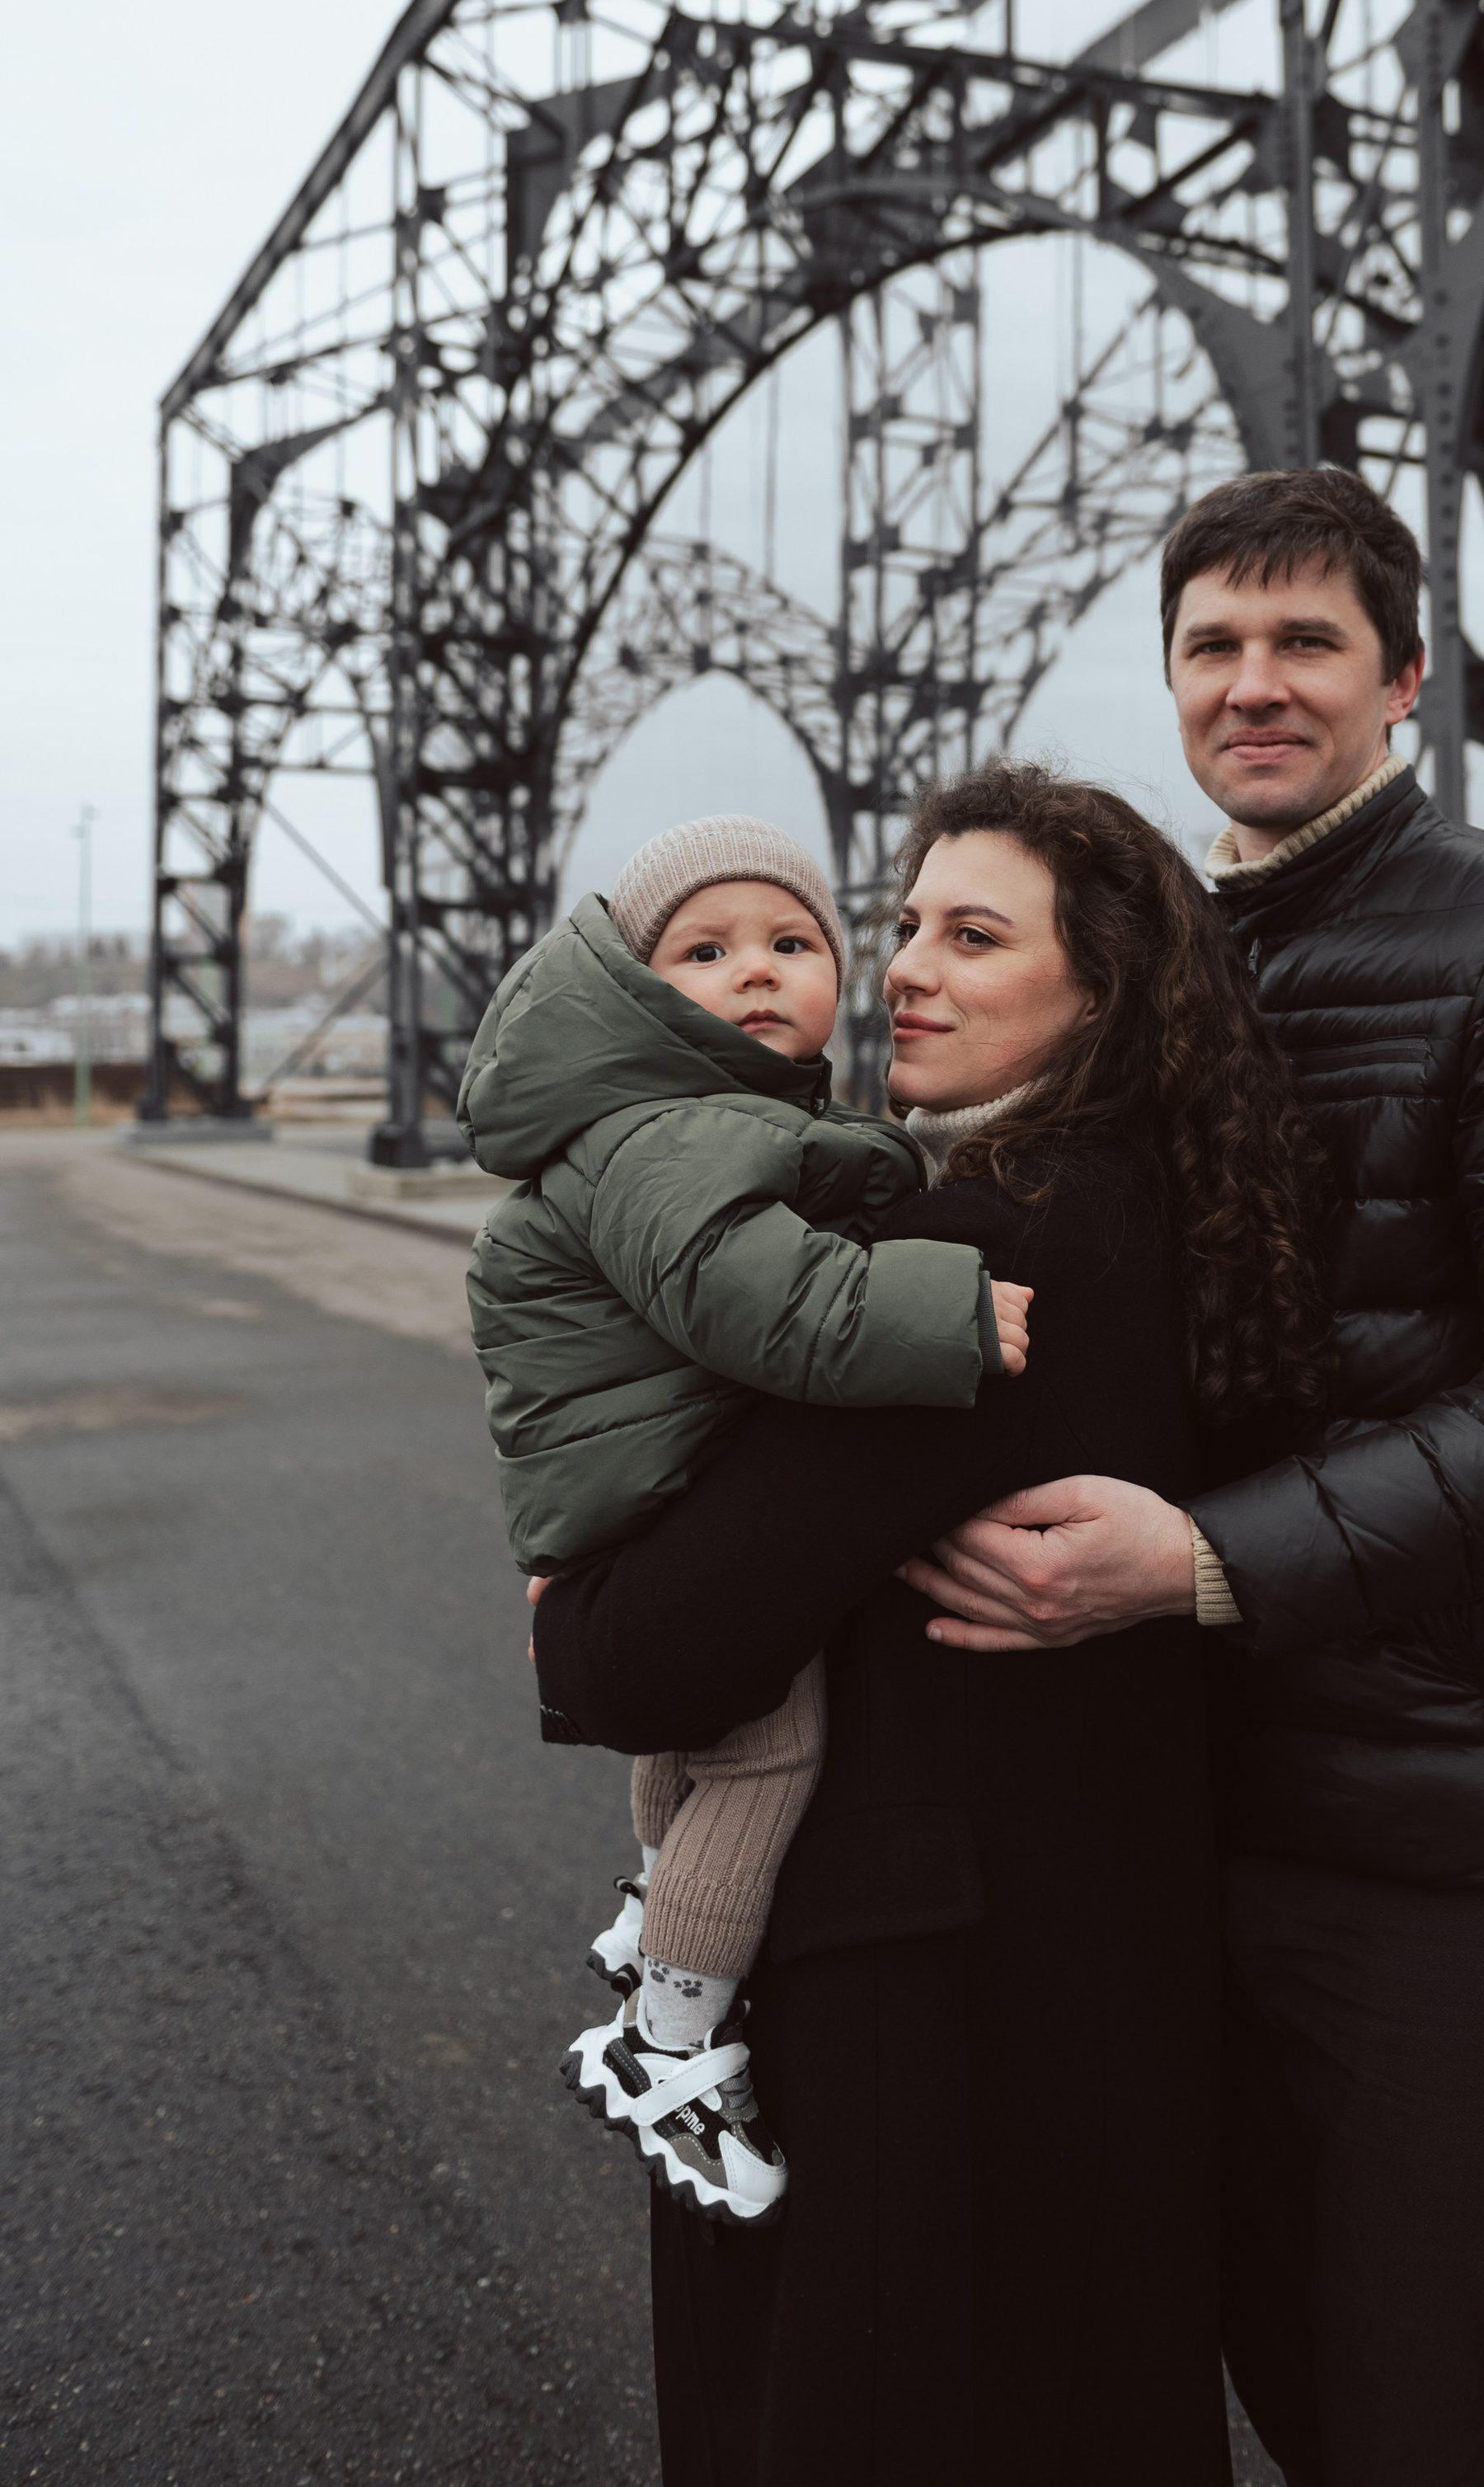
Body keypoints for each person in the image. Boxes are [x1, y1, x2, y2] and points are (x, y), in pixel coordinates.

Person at [899, 468, 1484, 2487]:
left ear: (1403, 679)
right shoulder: (1178, 956)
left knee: (1418, 2414)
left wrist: (1201, 1562)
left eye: (1304, 643)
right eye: (1211, 646)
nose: (1251, 685)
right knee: (1254, 2359)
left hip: (1455, 1833)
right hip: (1207, 1811)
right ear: (1170, 680)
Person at [530, 765, 1330, 2487]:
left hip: (930, 2019)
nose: (901, 965)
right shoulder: (1160, 1211)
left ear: (1101, 989)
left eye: (971, 935)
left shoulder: (986, 1250)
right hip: (1091, 1972)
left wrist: (564, 1610)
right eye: (897, 924)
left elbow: (652, 1654)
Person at [456, 815, 1031, 2222]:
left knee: (702, 1737)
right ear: (643, 991)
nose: (759, 972)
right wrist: (948, 1308)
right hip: (650, 1486)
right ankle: (672, 2042)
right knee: (768, 1756)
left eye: (794, 944)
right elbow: (753, 1298)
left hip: (630, 1487)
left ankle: (659, 1917)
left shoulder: (688, 1111)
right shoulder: (667, 1133)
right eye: (707, 952)